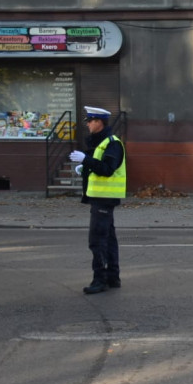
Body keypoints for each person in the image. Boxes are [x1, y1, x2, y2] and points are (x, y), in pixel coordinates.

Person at [69, 106, 126, 294]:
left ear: (99, 122)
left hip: (104, 199)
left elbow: (107, 169)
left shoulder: (112, 143)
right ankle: (112, 277)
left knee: (97, 241)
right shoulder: (102, 142)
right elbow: (98, 166)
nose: (87, 125)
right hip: (101, 198)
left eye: (90, 121)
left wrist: (86, 160)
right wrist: (85, 168)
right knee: (108, 239)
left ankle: (100, 280)